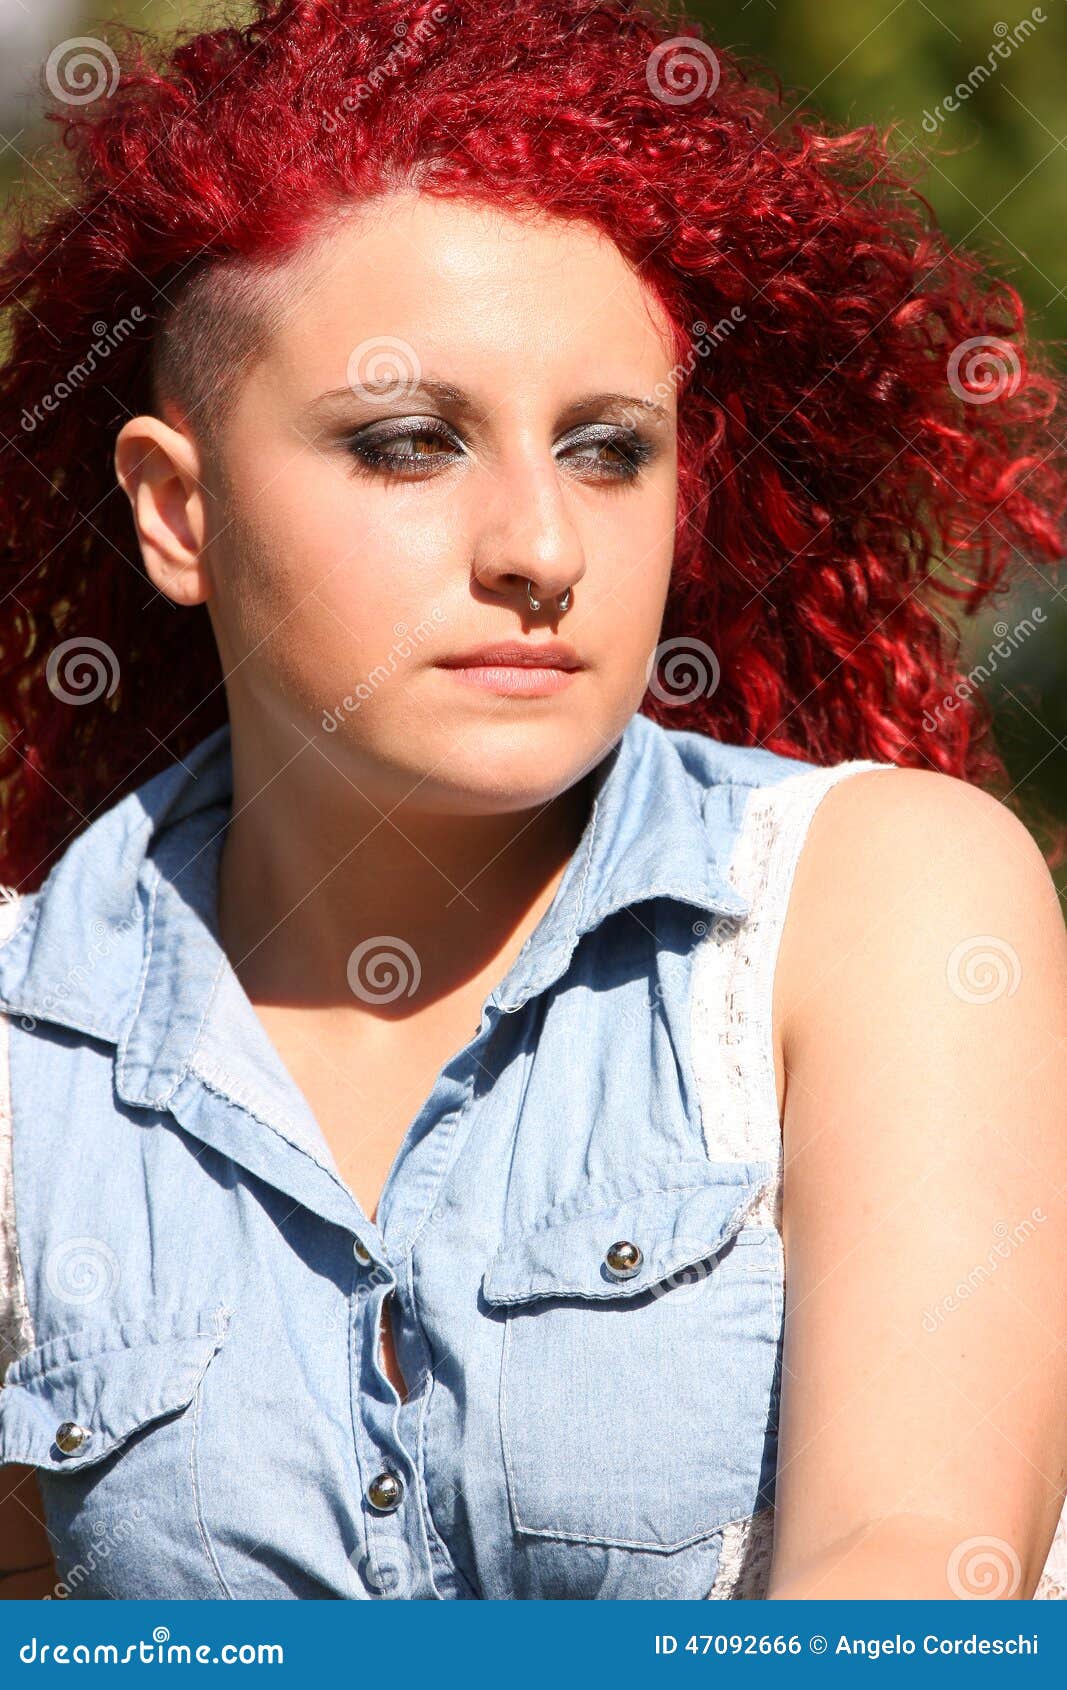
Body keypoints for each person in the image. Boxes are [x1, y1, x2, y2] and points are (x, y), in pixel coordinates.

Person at [1, 0, 1066, 1602]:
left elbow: (904, 1596)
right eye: (409, 443)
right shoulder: (28, 1054)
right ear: (177, 509)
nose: (541, 549)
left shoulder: (877, 904)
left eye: (607, 449)